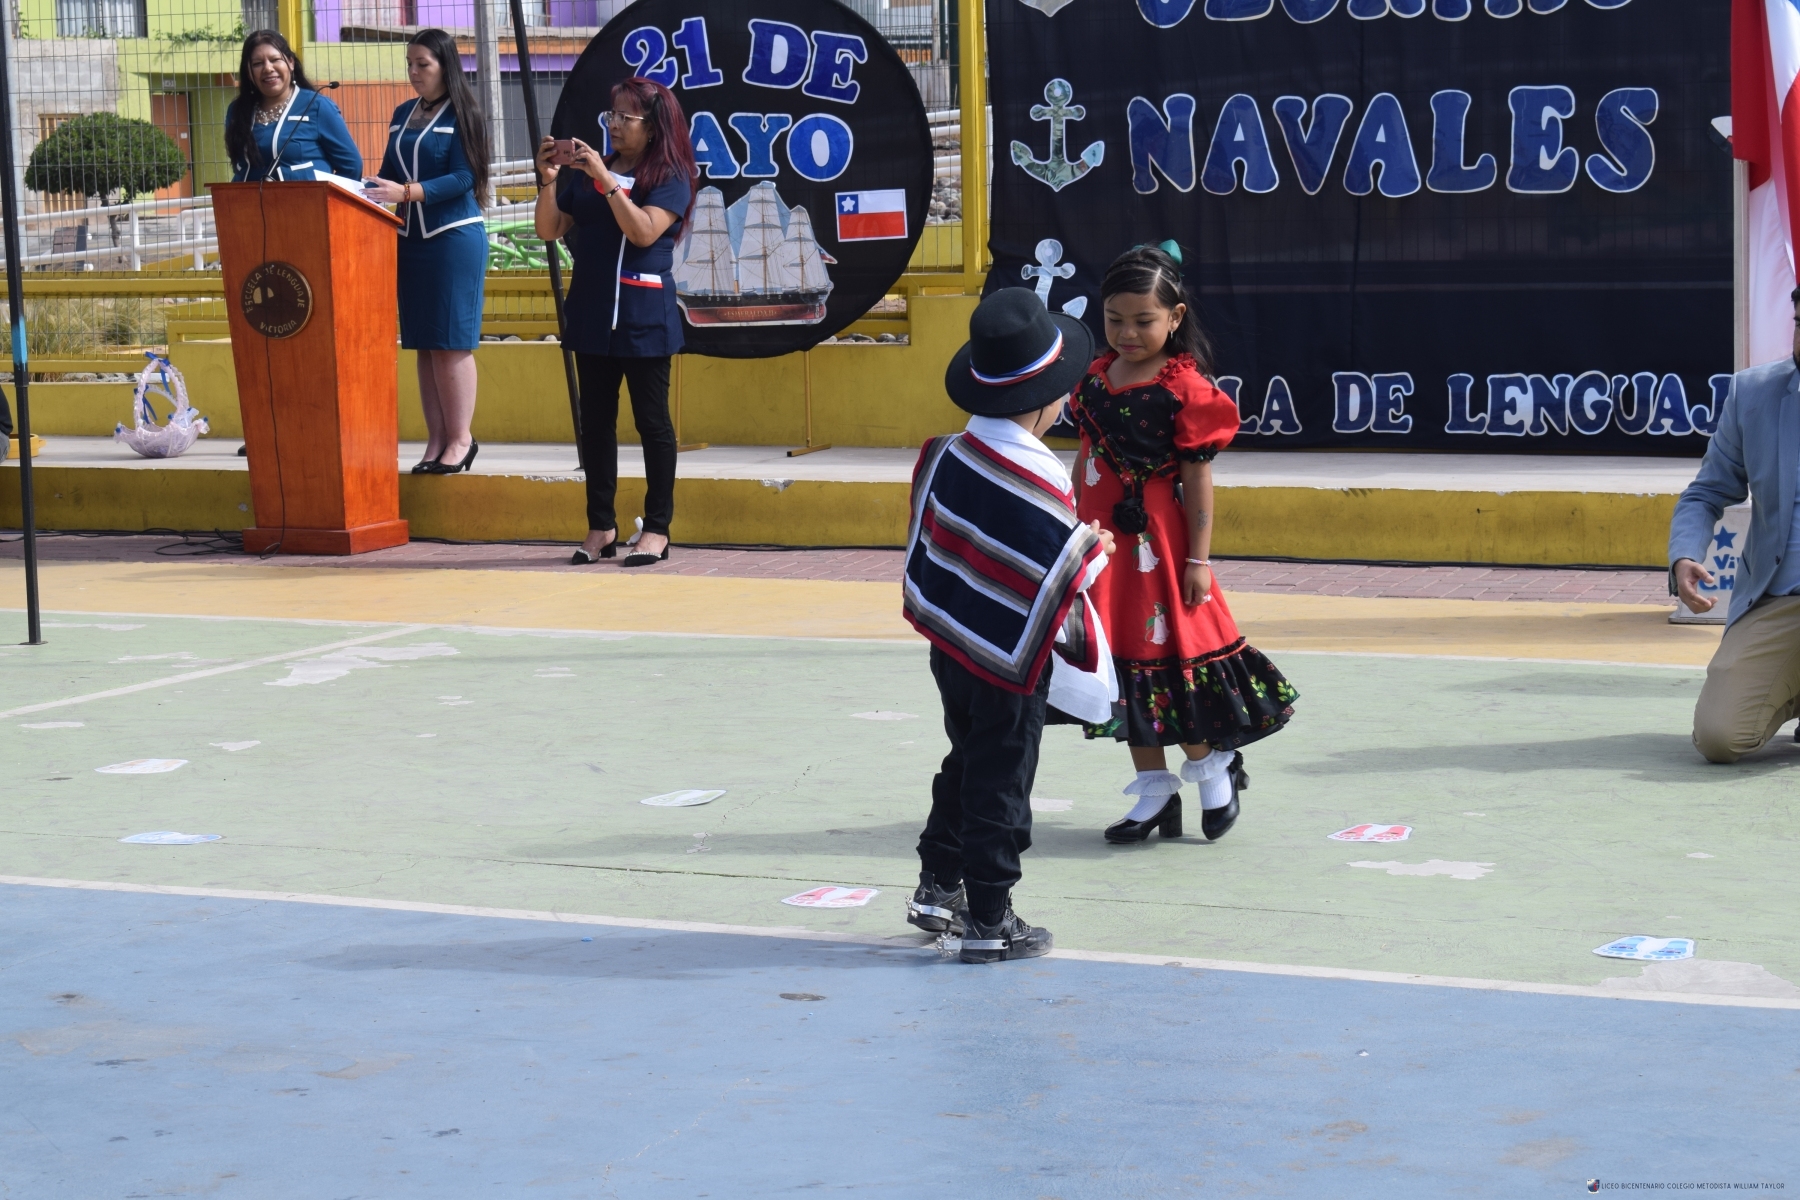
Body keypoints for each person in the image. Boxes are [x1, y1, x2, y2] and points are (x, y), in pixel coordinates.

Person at [902, 288, 1117, 964]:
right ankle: (991, 917)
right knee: (1003, 772)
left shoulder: (949, 452)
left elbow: (954, 540)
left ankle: (938, 884)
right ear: (1049, 400)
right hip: (1009, 660)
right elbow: (1058, 563)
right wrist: (1093, 550)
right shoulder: (1034, 469)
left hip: (954, 641)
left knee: (966, 758)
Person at [1070, 243, 1297, 845]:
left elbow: (1198, 480)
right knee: (1124, 669)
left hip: (1162, 554)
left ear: (1174, 317)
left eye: (1143, 320)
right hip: (1104, 551)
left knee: (1172, 665)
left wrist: (1198, 559)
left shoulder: (1187, 389)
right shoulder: (1093, 379)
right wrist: (1074, 527)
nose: (1127, 333)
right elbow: (1085, 460)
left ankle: (1213, 770)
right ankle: (1154, 793)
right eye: (1114, 319)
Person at [532, 77, 693, 568]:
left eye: (627, 117)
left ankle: (658, 529)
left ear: (654, 126)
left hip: (644, 316)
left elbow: (643, 232)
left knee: (652, 423)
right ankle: (601, 526)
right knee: (596, 423)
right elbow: (549, 228)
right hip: (592, 313)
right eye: (612, 115)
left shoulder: (671, 176)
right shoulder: (589, 172)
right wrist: (548, 180)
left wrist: (605, 180)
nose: (615, 125)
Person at [1670, 286, 1800, 763]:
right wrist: (1685, 555)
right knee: (1720, 737)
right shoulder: (1753, 393)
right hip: (1781, 603)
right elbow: (1706, 492)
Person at [365, 29, 491, 475]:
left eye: (424, 64)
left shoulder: (465, 113)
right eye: (410, 64)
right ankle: (436, 440)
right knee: (423, 344)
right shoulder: (403, 113)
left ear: (445, 66)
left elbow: (465, 178)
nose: (414, 72)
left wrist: (407, 192)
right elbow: (388, 172)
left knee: (451, 343)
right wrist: (361, 188)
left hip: (452, 238)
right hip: (409, 242)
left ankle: (461, 440)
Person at [225, 30, 361, 184]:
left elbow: (352, 166)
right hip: (247, 199)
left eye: (275, 59)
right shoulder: (237, 111)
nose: (268, 68)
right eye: (257, 64)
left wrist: (327, 197)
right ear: (249, 73)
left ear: (290, 63)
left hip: (306, 199)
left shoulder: (317, 106)